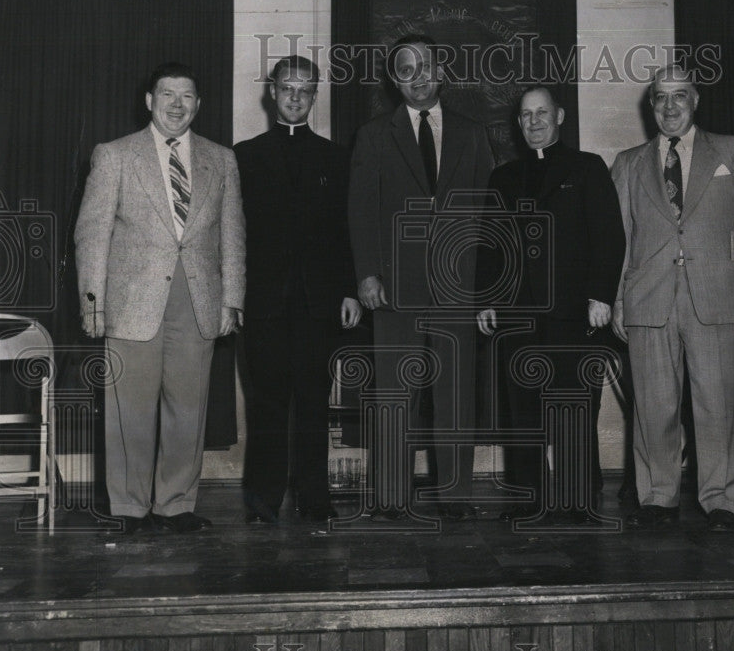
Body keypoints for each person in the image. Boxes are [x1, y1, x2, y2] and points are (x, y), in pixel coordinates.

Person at [75, 62, 245, 534]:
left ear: (198, 105)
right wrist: (93, 303)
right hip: (130, 303)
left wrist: (233, 299)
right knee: (128, 410)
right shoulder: (115, 155)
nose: (176, 104)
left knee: (188, 409)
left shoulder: (221, 159)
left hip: (198, 301)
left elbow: (232, 236)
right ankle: (129, 509)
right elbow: (91, 235)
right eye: (167, 94)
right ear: (149, 101)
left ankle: (176, 505)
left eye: (186, 96)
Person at [610, 64, 734, 531]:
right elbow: (619, 238)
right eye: (660, 97)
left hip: (717, 296)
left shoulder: (733, 151)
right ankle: (657, 497)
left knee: (719, 404)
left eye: (680, 96)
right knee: (653, 405)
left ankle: (722, 500)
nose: (670, 106)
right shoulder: (628, 163)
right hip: (647, 299)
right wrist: (618, 298)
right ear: (651, 105)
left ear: (696, 100)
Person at [348, 34, 494, 522]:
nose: (418, 77)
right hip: (395, 286)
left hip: (458, 285)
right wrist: (367, 274)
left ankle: (454, 494)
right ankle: (391, 496)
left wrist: (484, 286)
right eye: (405, 69)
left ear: (442, 72)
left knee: (455, 392)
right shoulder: (373, 134)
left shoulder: (473, 133)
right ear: (395, 80)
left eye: (426, 66)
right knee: (395, 393)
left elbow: (487, 212)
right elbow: (361, 210)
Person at [476, 85, 625, 522]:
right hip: (517, 316)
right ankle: (528, 497)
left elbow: (608, 236)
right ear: (518, 123)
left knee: (574, 406)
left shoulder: (588, 167)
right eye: (526, 115)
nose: (535, 122)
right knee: (522, 411)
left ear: (559, 116)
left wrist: (601, 295)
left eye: (542, 113)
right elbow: (488, 246)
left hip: (573, 313)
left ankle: (579, 497)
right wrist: (485, 299)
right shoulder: (502, 178)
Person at [235, 55, 362, 525]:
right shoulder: (243, 156)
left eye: (305, 89)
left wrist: (349, 291)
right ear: (271, 93)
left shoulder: (337, 157)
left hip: (318, 303)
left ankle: (314, 497)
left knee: (313, 400)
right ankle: (263, 499)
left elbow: (346, 231)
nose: (295, 96)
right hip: (262, 302)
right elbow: (233, 232)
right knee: (266, 402)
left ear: (315, 97)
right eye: (287, 88)